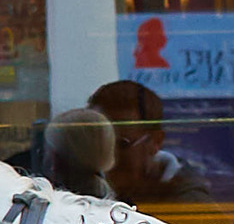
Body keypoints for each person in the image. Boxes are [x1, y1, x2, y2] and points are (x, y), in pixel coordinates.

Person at [89, 79, 217, 210]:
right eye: (100, 144)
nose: (108, 158)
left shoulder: (191, 207)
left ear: (155, 142)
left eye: (121, 144)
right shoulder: (83, 190)